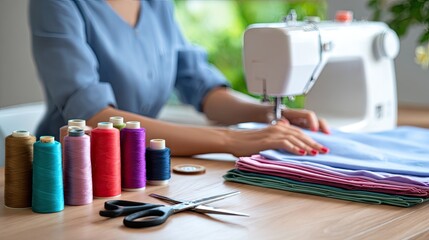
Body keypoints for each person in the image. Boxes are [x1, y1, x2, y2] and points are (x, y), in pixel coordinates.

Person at [29, 0, 330, 157]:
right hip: (71, 174)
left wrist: (268, 113)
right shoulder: (59, 4)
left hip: (136, 168)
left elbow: (201, 87)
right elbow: (94, 118)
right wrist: (232, 139)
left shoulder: (156, 3)